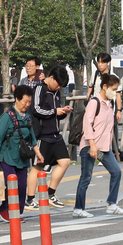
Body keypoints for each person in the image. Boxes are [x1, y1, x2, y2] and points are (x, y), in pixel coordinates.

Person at [73, 73, 123, 218]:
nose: (115, 92)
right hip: (90, 145)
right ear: (105, 87)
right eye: (113, 89)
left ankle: (112, 204)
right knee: (86, 177)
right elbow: (87, 124)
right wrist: (92, 145)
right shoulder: (94, 103)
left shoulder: (109, 103)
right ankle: (78, 208)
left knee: (116, 172)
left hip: (104, 147)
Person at [0, 84, 38, 220]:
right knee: (12, 184)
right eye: (25, 101)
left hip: (21, 157)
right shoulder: (7, 117)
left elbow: (32, 137)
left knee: (22, 186)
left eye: (29, 102)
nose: (27, 104)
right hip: (7, 156)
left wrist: (38, 153)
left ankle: (11, 210)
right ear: (17, 99)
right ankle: (9, 211)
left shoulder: (27, 117)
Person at [32, 72, 74, 207]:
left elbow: (56, 112)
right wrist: (55, 111)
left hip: (55, 134)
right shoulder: (39, 89)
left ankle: (50, 193)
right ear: (51, 78)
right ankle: (29, 198)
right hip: (42, 134)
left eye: (60, 87)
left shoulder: (56, 92)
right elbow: (36, 109)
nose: (58, 88)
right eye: (57, 84)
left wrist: (63, 112)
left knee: (65, 161)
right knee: (38, 168)